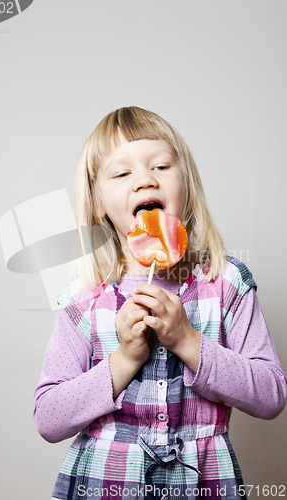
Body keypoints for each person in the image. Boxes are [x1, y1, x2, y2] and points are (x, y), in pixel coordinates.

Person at [33, 106, 287, 500]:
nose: (145, 180)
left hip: (205, 483)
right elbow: (49, 418)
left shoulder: (226, 282)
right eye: (121, 173)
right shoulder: (84, 298)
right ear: (99, 202)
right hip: (104, 483)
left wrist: (188, 341)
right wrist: (124, 360)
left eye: (161, 166)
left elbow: (272, 395)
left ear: (187, 185)